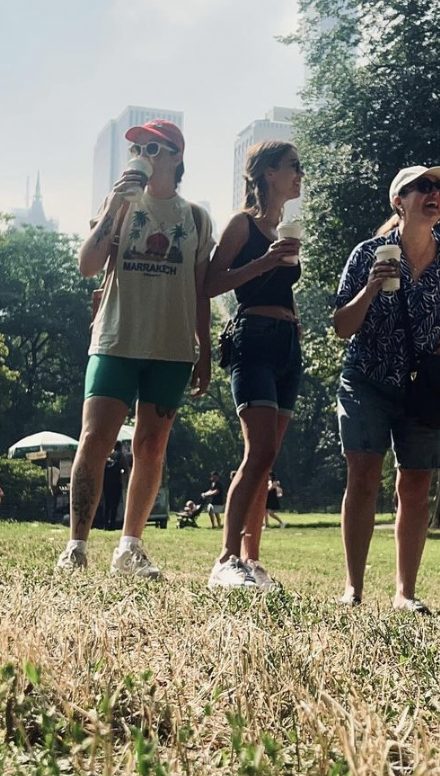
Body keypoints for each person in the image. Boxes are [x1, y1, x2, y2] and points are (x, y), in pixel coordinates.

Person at [56, 119, 214, 577]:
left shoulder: (197, 218)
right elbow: (87, 267)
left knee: (150, 447)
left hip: (171, 346)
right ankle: (76, 547)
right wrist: (114, 208)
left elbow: (201, 290)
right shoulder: (119, 204)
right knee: (94, 440)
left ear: (177, 157)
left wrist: (202, 348)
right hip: (115, 339)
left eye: (154, 147)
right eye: (138, 148)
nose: (142, 154)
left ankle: (129, 548)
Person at [334, 164, 440, 611]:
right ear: (397, 201)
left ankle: (405, 592)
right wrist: (368, 290)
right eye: (423, 187)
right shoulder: (368, 253)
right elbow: (342, 328)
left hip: (425, 390)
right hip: (367, 380)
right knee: (363, 477)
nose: (434, 194)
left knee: (416, 485)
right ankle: (353, 588)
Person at [204, 140, 304, 590]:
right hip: (252, 340)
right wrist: (264, 262)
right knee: (257, 451)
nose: (300, 174)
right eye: (291, 167)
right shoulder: (241, 225)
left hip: (288, 344)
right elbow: (209, 282)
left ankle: (252, 561)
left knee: (269, 459)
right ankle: (226, 559)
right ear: (266, 173)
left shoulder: (285, 227)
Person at [102, 443, 124, 531]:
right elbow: (125, 469)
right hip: (116, 484)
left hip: (106, 484)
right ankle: (112, 525)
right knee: (114, 506)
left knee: (106, 505)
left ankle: (105, 525)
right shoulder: (120, 457)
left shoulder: (106, 456)